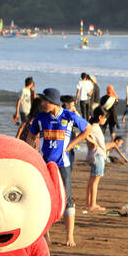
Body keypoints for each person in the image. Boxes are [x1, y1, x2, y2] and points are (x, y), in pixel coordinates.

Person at [26, 89, 90, 247]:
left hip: (63, 164)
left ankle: (69, 237)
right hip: (44, 164)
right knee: (44, 199)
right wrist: (32, 151)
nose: (41, 104)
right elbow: (30, 136)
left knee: (67, 199)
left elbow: (88, 129)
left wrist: (71, 146)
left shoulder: (68, 116)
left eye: (43, 101)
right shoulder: (40, 118)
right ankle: (46, 236)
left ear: (52, 102)